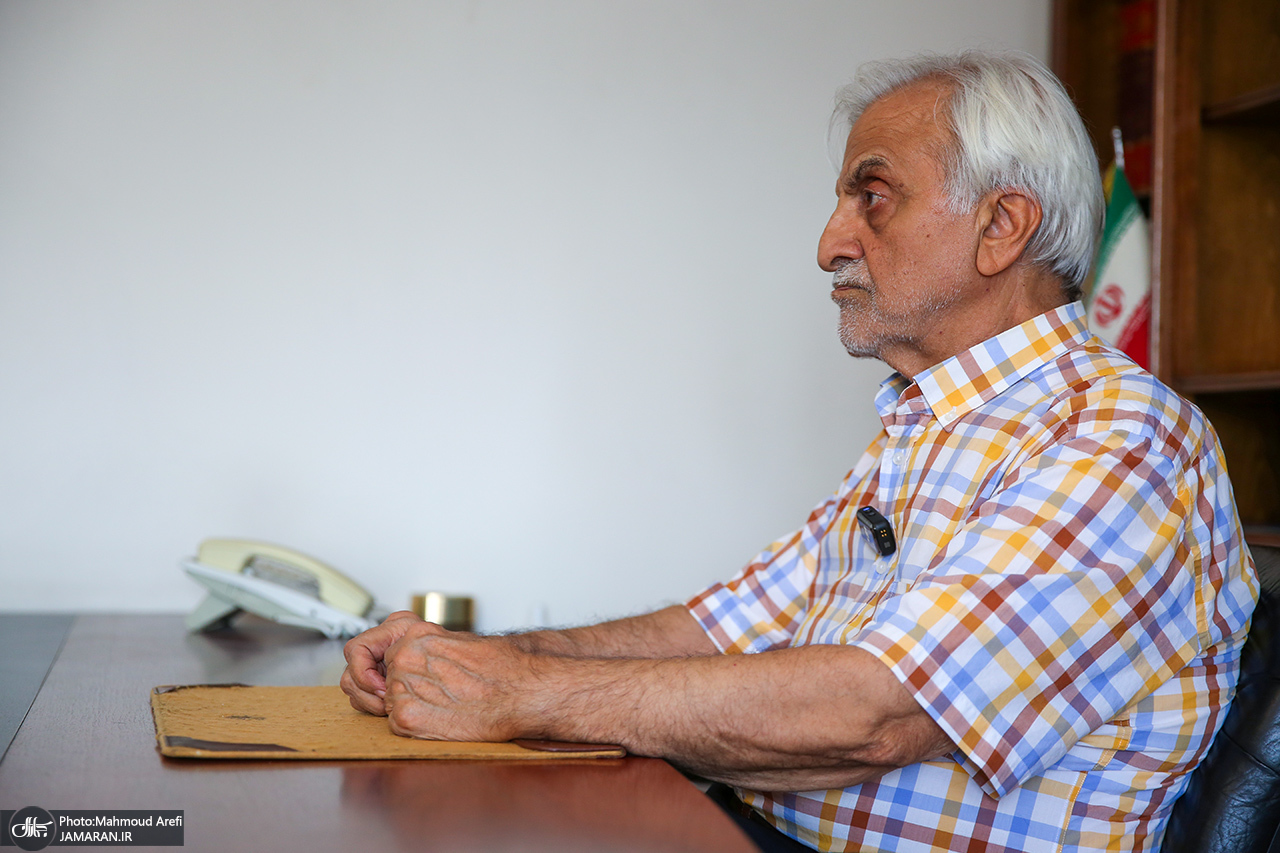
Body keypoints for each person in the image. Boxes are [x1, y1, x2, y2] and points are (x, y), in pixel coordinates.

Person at [341, 51, 1257, 853]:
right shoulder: (925, 428)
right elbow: (718, 627)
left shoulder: (1121, 438)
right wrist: (475, 658)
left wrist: (522, 694)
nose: (829, 244)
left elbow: (876, 714)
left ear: (1001, 226)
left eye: (872, 197)